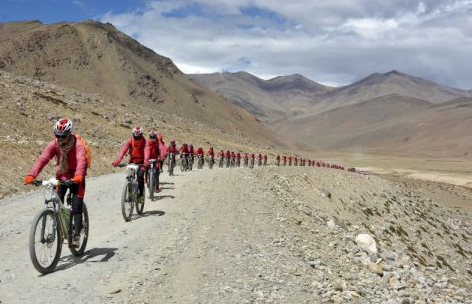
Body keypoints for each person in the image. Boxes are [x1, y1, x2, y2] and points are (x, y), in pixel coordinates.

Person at [24, 118, 86, 247]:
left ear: (69, 134)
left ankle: (76, 235)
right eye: (57, 135)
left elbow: (81, 160)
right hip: (62, 176)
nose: (60, 138)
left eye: (63, 136)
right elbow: (43, 159)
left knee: (76, 206)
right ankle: (61, 225)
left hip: (76, 177)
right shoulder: (54, 144)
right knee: (57, 201)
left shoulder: (78, 144)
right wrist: (32, 174)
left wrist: (79, 175)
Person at [112, 126, 147, 204]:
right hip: (132, 161)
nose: (137, 138)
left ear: (141, 135)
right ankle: (130, 195)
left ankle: (141, 196)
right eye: (135, 136)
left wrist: (145, 162)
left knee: (140, 177)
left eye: (139, 137)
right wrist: (118, 160)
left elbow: (147, 152)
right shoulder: (130, 141)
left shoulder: (145, 141)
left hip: (142, 162)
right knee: (129, 178)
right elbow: (123, 150)